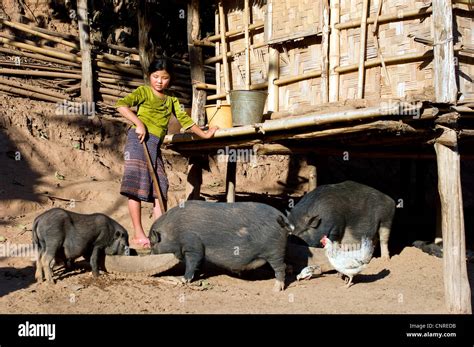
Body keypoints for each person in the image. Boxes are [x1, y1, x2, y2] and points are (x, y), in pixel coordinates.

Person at [116, 57, 217, 248]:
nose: (159, 81)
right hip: (138, 141)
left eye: (164, 77)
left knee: (160, 187)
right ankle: (138, 234)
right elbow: (121, 105)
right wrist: (138, 123)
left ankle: (158, 234)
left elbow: (185, 120)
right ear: (149, 76)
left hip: (154, 145)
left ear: (170, 79)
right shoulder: (144, 92)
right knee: (135, 187)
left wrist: (204, 135)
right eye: (155, 77)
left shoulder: (172, 100)